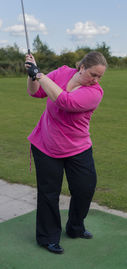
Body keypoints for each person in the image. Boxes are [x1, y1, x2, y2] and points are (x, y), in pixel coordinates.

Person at [25, 51, 107, 254]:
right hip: (47, 144)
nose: (95, 80)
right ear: (81, 67)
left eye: (99, 77)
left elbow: (65, 101)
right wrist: (31, 74)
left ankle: (75, 227)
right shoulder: (62, 72)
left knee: (85, 189)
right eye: (93, 74)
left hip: (78, 148)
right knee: (48, 193)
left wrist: (41, 75)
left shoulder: (95, 93)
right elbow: (35, 92)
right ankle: (47, 237)